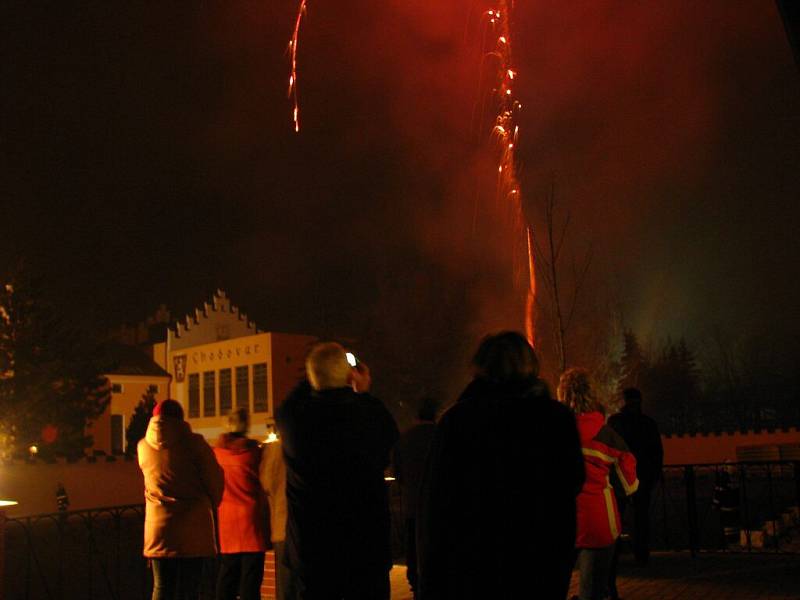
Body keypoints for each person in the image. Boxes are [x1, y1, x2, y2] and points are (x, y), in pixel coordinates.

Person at [417, 331, 585, 600]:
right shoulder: (556, 420)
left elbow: (436, 505)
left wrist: (430, 579)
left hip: (472, 564)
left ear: (481, 367)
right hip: (539, 560)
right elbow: (572, 483)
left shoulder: (458, 421)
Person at [276, 343, 399, 600]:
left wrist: (316, 373)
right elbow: (389, 435)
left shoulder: (294, 420)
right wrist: (363, 391)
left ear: (311, 377)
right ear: (349, 374)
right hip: (365, 548)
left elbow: (293, 398)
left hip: (313, 551)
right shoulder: (370, 416)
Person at [558, 369, 638, 600]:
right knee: (592, 591)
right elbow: (629, 484)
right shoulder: (608, 437)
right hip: (599, 522)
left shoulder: (551, 433)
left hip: (560, 522)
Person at [138, 399, 224, 600]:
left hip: (158, 528)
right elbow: (214, 481)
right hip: (192, 527)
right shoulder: (195, 444)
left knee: (161, 587)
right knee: (189, 588)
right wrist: (212, 504)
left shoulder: (142, 446)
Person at [214, 408, 270, 600]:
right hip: (251, 518)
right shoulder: (254, 453)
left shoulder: (217, 454)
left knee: (227, 575)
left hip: (226, 518)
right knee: (251, 579)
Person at [607, 387, 663, 566]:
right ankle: (641, 554)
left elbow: (609, 449)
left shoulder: (616, 422)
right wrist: (653, 475)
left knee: (617, 517)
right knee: (641, 517)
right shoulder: (647, 423)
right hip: (641, 477)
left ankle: (614, 555)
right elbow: (656, 452)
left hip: (621, 477)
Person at [392, 397, 438, 596]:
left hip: (412, 505)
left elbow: (399, 473)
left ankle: (414, 583)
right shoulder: (441, 435)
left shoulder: (405, 438)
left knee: (413, 548)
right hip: (436, 505)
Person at [260, 422, 298, 600]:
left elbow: (266, 483)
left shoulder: (275, 450)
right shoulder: (313, 445)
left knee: (285, 583)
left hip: (282, 524)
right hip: (308, 526)